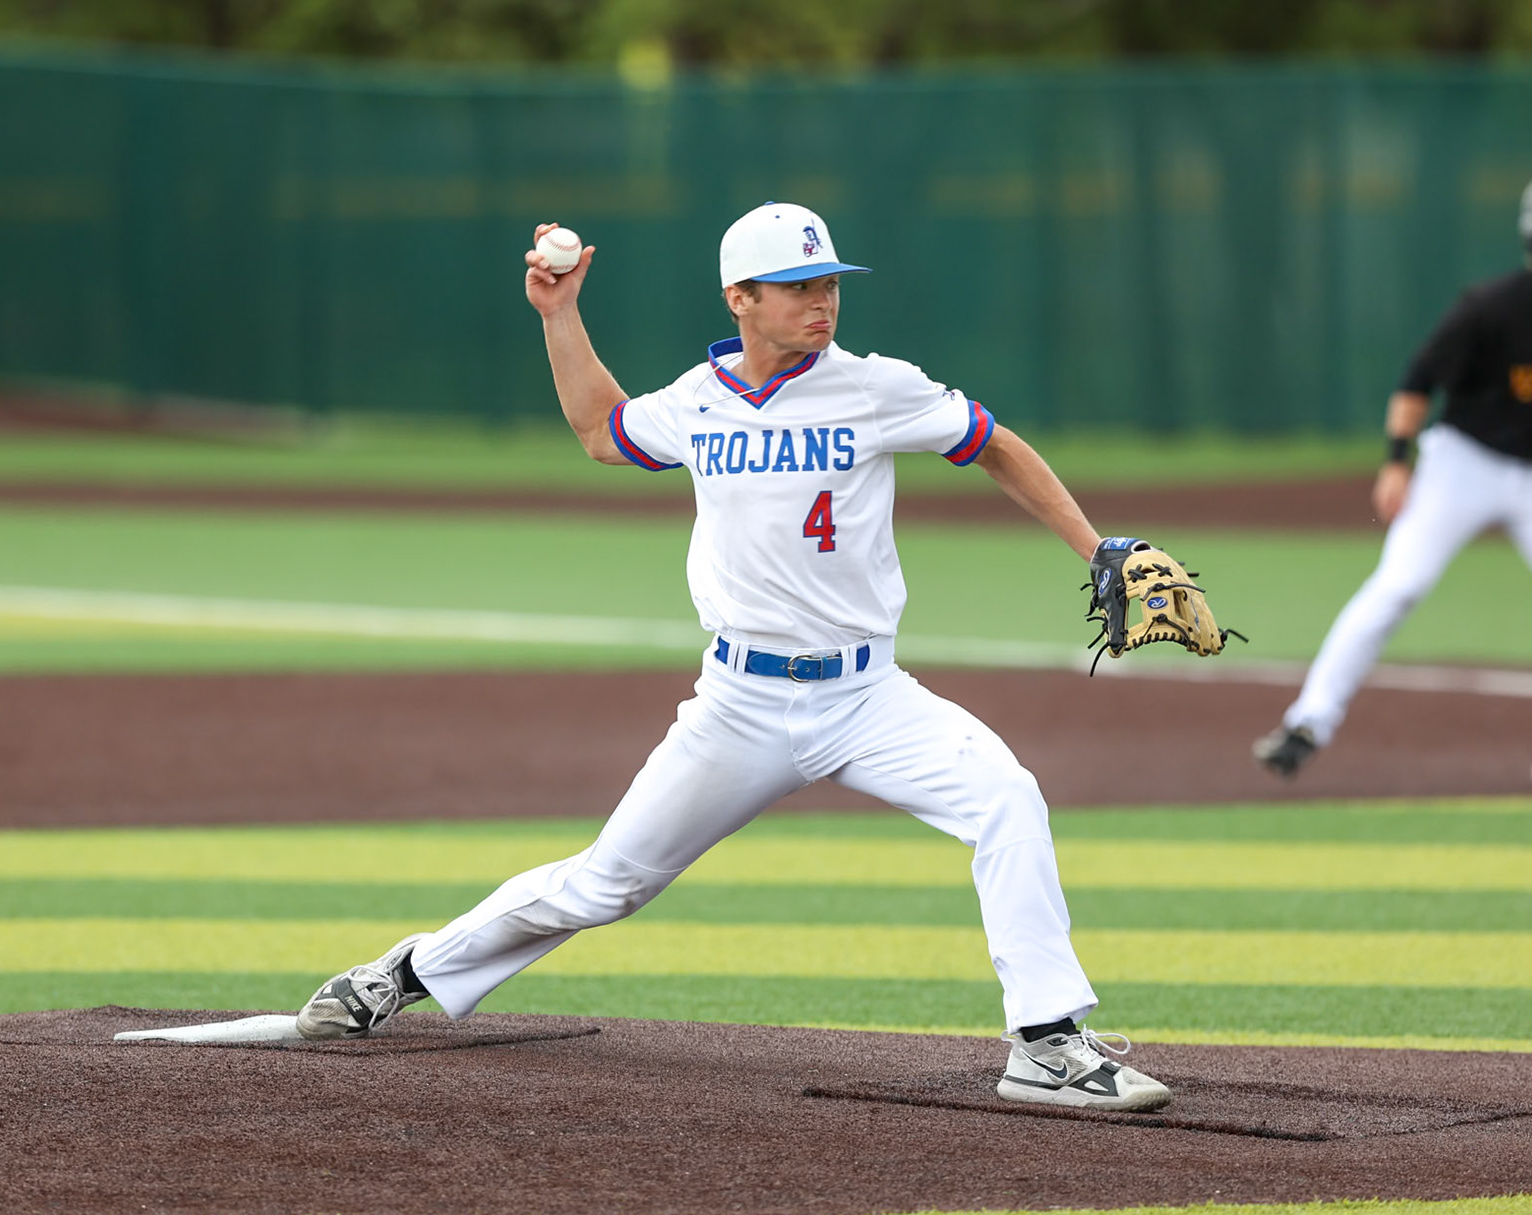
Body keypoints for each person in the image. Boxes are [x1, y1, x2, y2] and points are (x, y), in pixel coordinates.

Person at [293, 202, 1171, 1112]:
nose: (822, 302)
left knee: (1006, 798)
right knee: (606, 885)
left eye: (829, 284)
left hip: (869, 697)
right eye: (797, 287)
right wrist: (559, 314)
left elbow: (993, 445)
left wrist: (1098, 548)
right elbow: (603, 432)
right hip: (738, 707)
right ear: (740, 298)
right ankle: (404, 972)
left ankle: (1045, 1041)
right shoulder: (698, 399)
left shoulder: (877, 387)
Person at [1253, 169, 1532, 795]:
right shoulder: (1491, 309)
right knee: (1399, 585)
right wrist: (1397, 461)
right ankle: (1306, 724)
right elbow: (1416, 383)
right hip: (1463, 464)